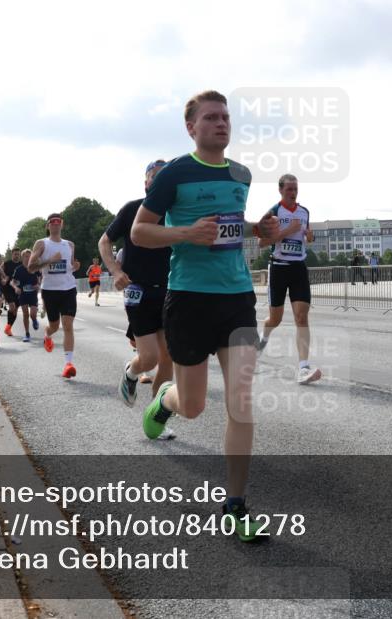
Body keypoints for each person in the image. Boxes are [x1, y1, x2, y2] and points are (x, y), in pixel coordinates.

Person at [131, 89, 281, 540]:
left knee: (240, 399)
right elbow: (140, 232)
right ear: (191, 127)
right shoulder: (174, 173)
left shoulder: (242, 174)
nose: (222, 124)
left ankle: (235, 504)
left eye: (226, 117)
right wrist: (186, 233)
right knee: (194, 407)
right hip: (189, 298)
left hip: (236, 296)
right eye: (211, 118)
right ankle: (165, 401)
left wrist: (261, 229)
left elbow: (233, 224)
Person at [100, 158, 174, 406]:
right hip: (138, 290)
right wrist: (115, 271)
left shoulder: (177, 212)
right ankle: (131, 372)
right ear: (146, 183)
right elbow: (104, 241)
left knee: (168, 358)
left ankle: (156, 417)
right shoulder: (132, 209)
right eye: (155, 175)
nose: (160, 179)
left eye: (166, 175)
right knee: (150, 358)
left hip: (169, 290)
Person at [254, 173, 322, 384]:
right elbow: (261, 243)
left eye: (295, 189)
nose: (293, 193)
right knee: (275, 319)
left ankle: (303, 367)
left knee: (301, 317)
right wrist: (287, 231)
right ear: (281, 190)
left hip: (298, 268)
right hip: (279, 268)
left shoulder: (304, 212)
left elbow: (306, 237)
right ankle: (262, 340)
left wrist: (309, 237)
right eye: (289, 189)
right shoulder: (273, 212)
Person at [29, 214, 81, 378]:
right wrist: (50, 260)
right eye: (53, 222)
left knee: (67, 325)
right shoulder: (42, 244)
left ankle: (68, 364)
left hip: (69, 288)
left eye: (59, 221)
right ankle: (47, 335)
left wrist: (75, 267)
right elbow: (31, 267)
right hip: (50, 290)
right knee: (54, 326)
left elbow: (69, 266)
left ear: (62, 225)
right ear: (48, 226)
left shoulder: (70, 245)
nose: (56, 224)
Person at [11, 249, 41, 342]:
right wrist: (16, 288)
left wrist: (38, 285)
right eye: (26, 256)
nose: (28, 258)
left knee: (32, 314)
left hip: (32, 294)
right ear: (22, 257)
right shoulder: (18, 269)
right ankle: (27, 334)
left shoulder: (34, 267)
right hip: (23, 294)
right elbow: (12, 282)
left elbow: (40, 277)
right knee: (25, 314)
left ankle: (34, 320)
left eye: (30, 256)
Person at [1, 248, 23, 336]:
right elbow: (0, 270)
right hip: (8, 288)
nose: (16, 256)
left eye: (18, 254)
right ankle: (8, 328)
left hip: (18, 289)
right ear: (12, 254)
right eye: (15, 254)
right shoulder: (6, 263)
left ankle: (8, 328)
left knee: (15, 310)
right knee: (12, 306)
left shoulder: (22, 264)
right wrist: (4, 278)